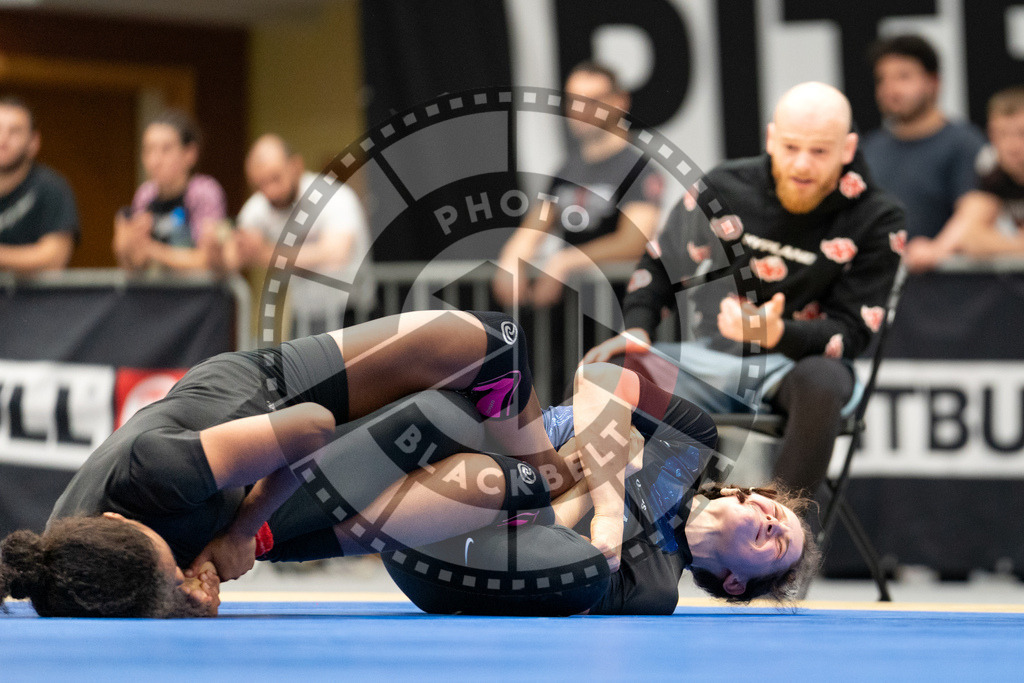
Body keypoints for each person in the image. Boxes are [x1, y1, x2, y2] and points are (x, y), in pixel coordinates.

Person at [0, 310, 567, 617]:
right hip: (242, 521)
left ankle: (558, 487)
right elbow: (156, 593)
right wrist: (190, 599)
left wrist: (240, 530)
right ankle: (525, 515)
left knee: (491, 346)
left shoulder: (150, 470)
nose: (179, 573)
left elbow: (310, 426)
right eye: (171, 577)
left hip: (268, 399)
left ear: (118, 524)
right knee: (444, 429)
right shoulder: (72, 583)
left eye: (169, 568)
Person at [583, 82, 904, 496]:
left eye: (820, 151)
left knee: (824, 380)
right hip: (710, 362)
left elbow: (853, 333)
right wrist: (639, 328)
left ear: (848, 148)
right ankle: (634, 528)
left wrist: (778, 334)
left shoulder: (878, 216)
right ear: (771, 138)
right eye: (790, 147)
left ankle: (783, 534)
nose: (802, 165)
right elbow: (660, 262)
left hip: (797, 368)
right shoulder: (725, 185)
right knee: (613, 371)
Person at [492, 61, 663, 308]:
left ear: (619, 102)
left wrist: (566, 261)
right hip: (577, 311)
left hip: (622, 308)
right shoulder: (567, 170)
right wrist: (511, 259)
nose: (580, 111)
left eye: (593, 101)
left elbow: (634, 242)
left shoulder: (639, 169)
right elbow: (536, 225)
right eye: (573, 100)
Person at [227, 134, 376, 334]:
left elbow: (336, 254)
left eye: (275, 178)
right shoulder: (260, 205)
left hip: (353, 314)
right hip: (304, 316)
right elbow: (234, 255)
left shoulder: (334, 196)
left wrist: (267, 254)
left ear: (295, 165)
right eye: (259, 184)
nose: (270, 192)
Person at [861, 34, 985, 253]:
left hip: (944, 283)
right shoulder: (870, 148)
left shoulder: (964, 144)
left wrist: (938, 249)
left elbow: (976, 210)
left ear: (933, 82)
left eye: (903, 77)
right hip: (879, 281)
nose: (891, 89)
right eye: (882, 79)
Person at [899, 86, 1024, 270]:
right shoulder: (992, 175)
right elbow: (970, 236)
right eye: (1001, 134)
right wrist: (936, 250)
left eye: (1021, 133)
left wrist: (993, 242)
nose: (1011, 146)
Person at [113, 109, 227, 272]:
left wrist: (152, 250)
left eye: (166, 149)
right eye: (148, 150)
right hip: (157, 295)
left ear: (190, 153)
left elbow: (205, 261)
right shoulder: (145, 195)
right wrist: (125, 246)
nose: (155, 160)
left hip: (197, 296)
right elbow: (136, 266)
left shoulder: (203, 192)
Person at [0, 97, 79, 274]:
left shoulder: (51, 187)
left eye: (14, 131)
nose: (3, 139)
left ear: (33, 142)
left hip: (33, 300)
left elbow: (54, 257)